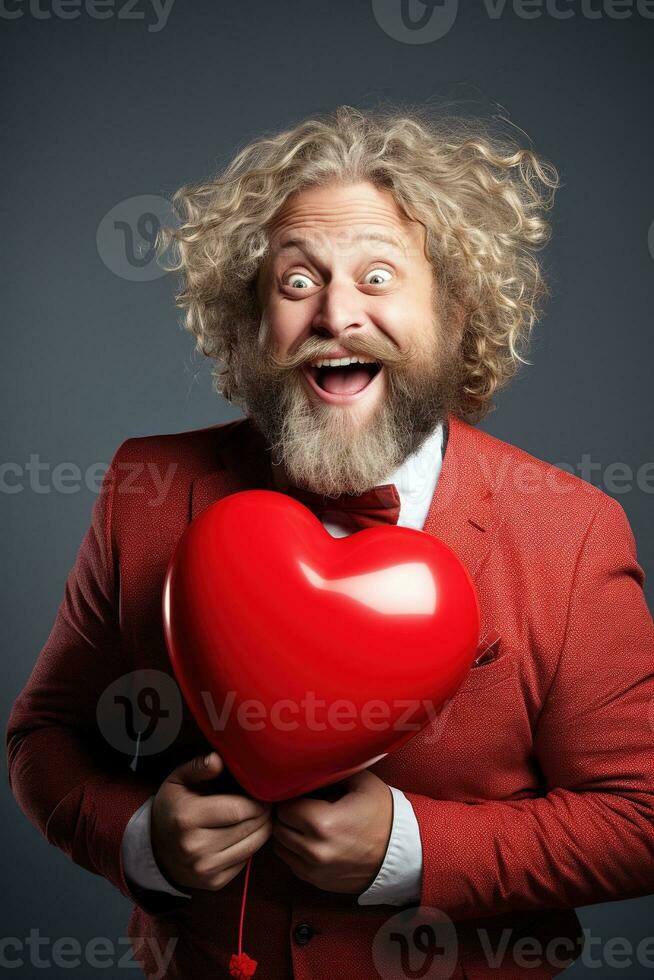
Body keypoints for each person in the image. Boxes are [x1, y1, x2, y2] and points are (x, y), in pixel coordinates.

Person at [7, 105, 654, 980]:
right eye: (298, 281)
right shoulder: (143, 491)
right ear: (249, 321)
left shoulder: (570, 530)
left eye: (379, 277)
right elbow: (44, 736)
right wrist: (140, 839)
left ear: (456, 314)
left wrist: (415, 849)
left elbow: (641, 816)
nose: (337, 313)